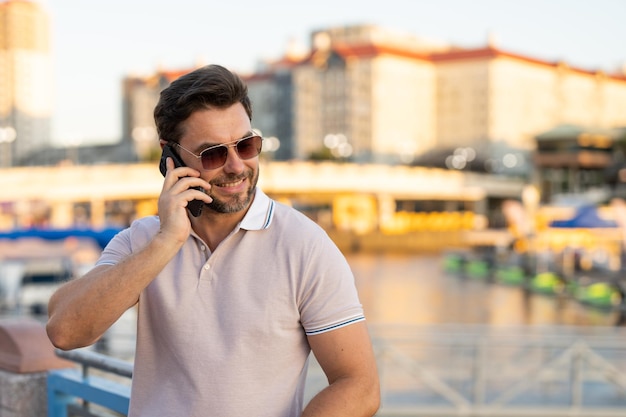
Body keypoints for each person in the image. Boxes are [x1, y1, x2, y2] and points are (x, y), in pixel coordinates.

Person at [46, 64, 380, 417]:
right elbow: (65, 332)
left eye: (246, 145)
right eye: (214, 154)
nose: (237, 166)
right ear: (170, 157)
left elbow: (359, 385)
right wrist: (166, 242)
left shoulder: (305, 246)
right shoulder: (143, 240)